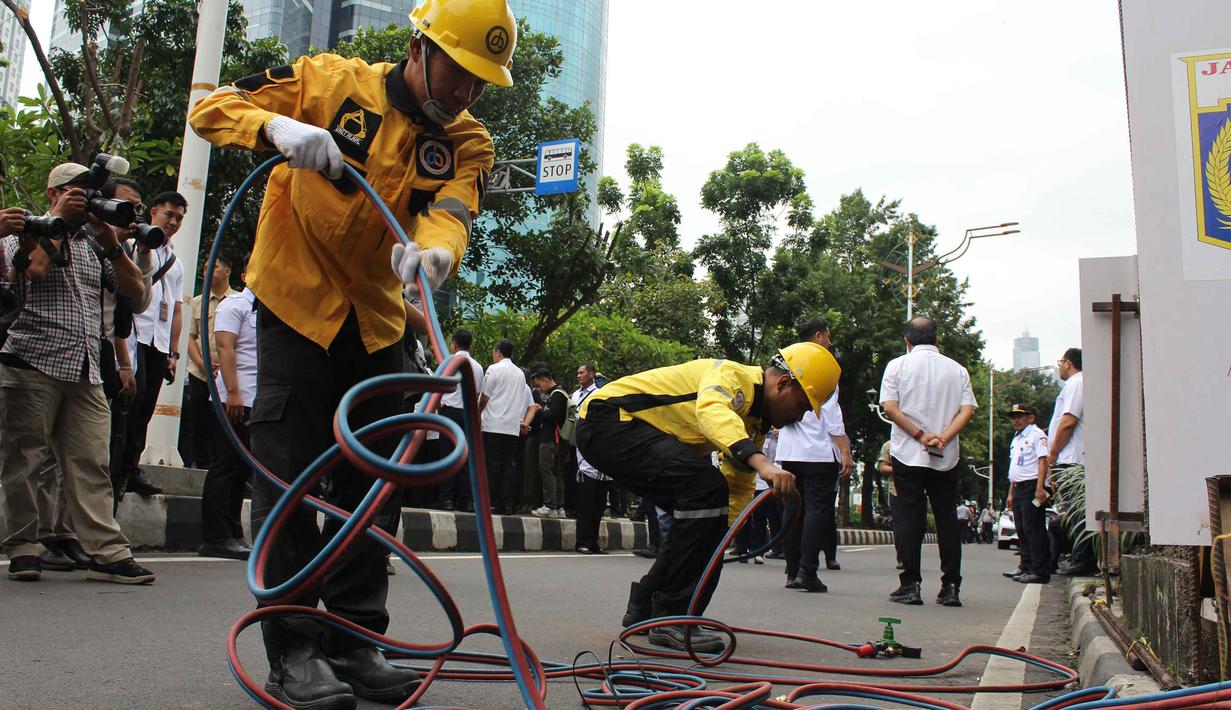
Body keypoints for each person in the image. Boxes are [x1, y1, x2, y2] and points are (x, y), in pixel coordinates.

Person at [187, 0, 517, 704]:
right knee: (289, 479)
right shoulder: (327, 83)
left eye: (479, 83)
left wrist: (436, 253)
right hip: (294, 307)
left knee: (375, 486)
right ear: (418, 47)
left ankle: (357, 640)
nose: (465, 93)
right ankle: (295, 649)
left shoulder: (468, 141)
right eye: (457, 73)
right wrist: (275, 127)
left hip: (377, 320)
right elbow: (212, 110)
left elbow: (453, 210)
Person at [577, 342, 840, 652]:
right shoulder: (733, 376)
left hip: (623, 433)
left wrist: (720, 536)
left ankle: (646, 606)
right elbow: (712, 413)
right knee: (705, 489)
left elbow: (737, 486)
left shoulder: (755, 424)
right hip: (609, 419)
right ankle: (673, 618)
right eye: (803, 405)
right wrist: (764, 464)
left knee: (703, 520)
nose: (802, 415)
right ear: (783, 383)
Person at [1, 162, 154, 584]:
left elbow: (136, 293)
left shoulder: (93, 241)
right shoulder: (24, 230)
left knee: (92, 461)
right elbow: (33, 270)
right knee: (25, 461)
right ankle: (24, 546)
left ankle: (106, 552)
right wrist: (60, 225)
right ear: (54, 193)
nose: (86, 199)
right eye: (76, 191)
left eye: (89, 192)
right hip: (32, 358)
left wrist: (109, 241)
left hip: (87, 367)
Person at [879, 316, 977, 607]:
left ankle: (910, 585)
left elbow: (890, 408)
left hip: (908, 454)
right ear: (936, 339)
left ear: (907, 341)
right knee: (946, 519)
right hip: (945, 456)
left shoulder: (897, 365)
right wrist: (942, 437)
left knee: (910, 519)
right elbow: (967, 410)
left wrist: (921, 436)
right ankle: (950, 588)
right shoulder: (957, 370)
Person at [775, 318, 852, 593]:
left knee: (792, 510)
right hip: (818, 452)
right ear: (818, 336)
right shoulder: (823, 366)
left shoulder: (786, 360)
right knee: (816, 512)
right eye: (828, 337)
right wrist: (844, 450)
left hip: (790, 452)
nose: (830, 343)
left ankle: (792, 569)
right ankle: (807, 571)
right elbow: (831, 414)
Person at [119, 190, 188, 497]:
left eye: (178, 218)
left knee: (146, 408)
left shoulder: (176, 262)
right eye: (168, 215)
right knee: (129, 404)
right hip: (133, 336)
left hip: (159, 343)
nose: (173, 222)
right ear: (153, 212)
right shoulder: (132, 246)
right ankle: (116, 468)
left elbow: (175, 309)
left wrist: (174, 352)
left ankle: (131, 469)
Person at [199, 256, 258, 560]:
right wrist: (233, 392)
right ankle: (215, 536)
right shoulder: (233, 306)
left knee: (239, 470)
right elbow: (225, 348)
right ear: (247, 275)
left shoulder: (265, 310)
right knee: (224, 466)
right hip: (232, 398)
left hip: (254, 400)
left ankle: (233, 532)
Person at [1049, 347, 1096, 575]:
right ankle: (1079, 558)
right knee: (1071, 511)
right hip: (1071, 458)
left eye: (1061, 362)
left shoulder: (1076, 383)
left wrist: (1053, 452)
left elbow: (1068, 422)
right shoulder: (1077, 384)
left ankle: (1083, 559)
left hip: (1072, 458)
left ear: (1068, 363)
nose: (1059, 366)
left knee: (1075, 513)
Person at [186, 254, 236, 469]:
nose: (207, 272)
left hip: (226, 375)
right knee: (199, 422)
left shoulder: (237, 301)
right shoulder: (198, 302)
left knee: (222, 423)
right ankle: (202, 467)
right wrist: (202, 363)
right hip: (199, 373)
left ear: (228, 271)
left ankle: (219, 467)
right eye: (205, 268)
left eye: (214, 267)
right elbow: (190, 337)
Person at [478, 339, 533, 515]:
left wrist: (477, 411)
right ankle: (507, 504)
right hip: (512, 427)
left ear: (498, 352)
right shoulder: (520, 374)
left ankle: (491, 503)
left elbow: (485, 397)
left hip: (493, 424)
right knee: (508, 465)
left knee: (492, 465)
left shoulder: (494, 369)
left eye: (494, 351)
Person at [433, 329, 484, 512]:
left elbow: (438, 392)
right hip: (468, 414)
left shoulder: (448, 363)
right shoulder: (478, 367)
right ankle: (465, 500)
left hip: (450, 413)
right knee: (465, 457)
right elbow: (477, 394)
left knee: (447, 455)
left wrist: (440, 410)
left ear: (454, 342)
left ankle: (446, 498)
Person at [1003, 403, 1051, 583]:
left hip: (1032, 487)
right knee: (1022, 530)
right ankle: (1026, 565)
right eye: (1013, 417)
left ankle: (1039, 570)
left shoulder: (1037, 435)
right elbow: (1014, 468)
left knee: (1034, 530)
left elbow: (1042, 461)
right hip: (1018, 488)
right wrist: (1010, 493)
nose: (1015, 420)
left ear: (1030, 417)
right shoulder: (1016, 438)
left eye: (1019, 416)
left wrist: (1040, 488)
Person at [571, 363, 608, 554]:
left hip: (601, 456)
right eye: (577, 373)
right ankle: (583, 541)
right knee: (585, 502)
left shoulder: (600, 395)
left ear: (592, 374)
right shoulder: (575, 396)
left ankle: (593, 541)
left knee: (598, 504)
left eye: (582, 372)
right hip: (583, 457)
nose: (579, 375)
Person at [529, 367, 569, 518]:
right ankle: (559, 507)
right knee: (557, 473)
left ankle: (550, 506)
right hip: (559, 440)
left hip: (551, 439)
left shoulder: (557, 394)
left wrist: (539, 410)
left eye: (539, 385)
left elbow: (553, 416)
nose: (540, 389)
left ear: (545, 380)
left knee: (547, 470)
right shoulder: (561, 393)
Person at [876, 440, 903, 569]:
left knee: (916, 526)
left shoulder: (919, 443)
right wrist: (902, 470)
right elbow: (883, 467)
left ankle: (912, 556)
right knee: (899, 526)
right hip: (896, 490)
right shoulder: (890, 445)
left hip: (917, 491)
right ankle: (902, 557)